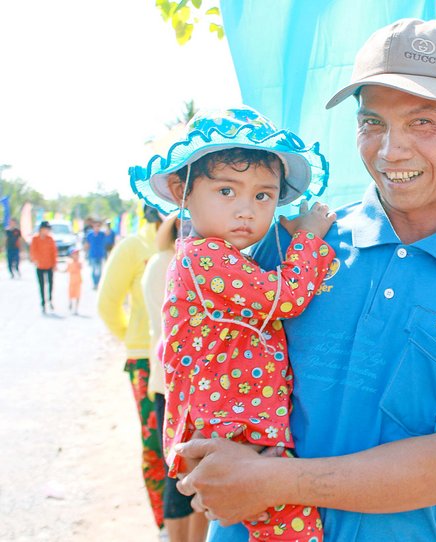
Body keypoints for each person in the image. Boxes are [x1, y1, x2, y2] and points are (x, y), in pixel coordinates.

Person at [170, 19, 436, 542]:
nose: (391, 150)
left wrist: (272, 481)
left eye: (421, 122)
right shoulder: (293, 245)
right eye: (372, 123)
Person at [131, 106, 336, 541]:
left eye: (263, 196)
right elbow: (286, 296)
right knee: (291, 526)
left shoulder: (214, 257)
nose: (246, 210)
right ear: (180, 190)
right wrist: (310, 238)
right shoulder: (205, 257)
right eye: (227, 191)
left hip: (234, 425)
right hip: (236, 430)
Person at [97, 205, 167, 534]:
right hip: (145, 360)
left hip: (188, 360)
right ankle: (164, 522)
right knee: (154, 443)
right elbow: (107, 304)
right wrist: (133, 338)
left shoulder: (200, 238)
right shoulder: (134, 247)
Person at [142, 213, 209, 542]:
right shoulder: (170, 263)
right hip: (172, 387)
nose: (190, 228)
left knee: (195, 476)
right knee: (180, 477)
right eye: (183, 223)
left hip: (183, 384)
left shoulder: (173, 260)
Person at [30, 220, 57, 314]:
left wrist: (54, 264)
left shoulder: (50, 239)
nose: (47, 231)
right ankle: (43, 302)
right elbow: (33, 250)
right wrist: (35, 260)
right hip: (40, 265)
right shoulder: (35, 239)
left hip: (49, 264)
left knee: (50, 283)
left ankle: (50, 300)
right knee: (41, 285)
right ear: (41, 229)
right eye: (45, 229)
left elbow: (54, 252)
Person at [85, 220, 107, 289]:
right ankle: (95, 283)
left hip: (100, 254)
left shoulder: (102, 234)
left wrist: (106, 225)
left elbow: (108, 233)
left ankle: (98, 283)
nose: (97, 228)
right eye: (95, 226)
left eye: (98, 226)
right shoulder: (90, 235)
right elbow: (87, 244)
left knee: (100, 270)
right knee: (94, 270)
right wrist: (86, 253)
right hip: (92, 254)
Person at [66, 247, 83, 315]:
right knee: (71, 293)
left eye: (77, 254)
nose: (76, 255)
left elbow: (81, 267)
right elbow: (66, 270)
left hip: (78, 281)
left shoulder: (79, 263)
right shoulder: (69, 263)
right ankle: (70, 303)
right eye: (74, 254)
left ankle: (76, 308)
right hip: (71, 281)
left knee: (77, 294)